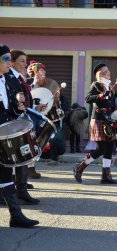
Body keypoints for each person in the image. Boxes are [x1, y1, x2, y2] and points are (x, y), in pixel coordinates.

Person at [0, 44, 39, 228]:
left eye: (9, 59)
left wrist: (17, 108)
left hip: (3, 133)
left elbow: (8, 110)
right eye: (5, 59)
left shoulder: (6, 81)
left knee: (6, 172)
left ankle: (15, 216)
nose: (9, 63)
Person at [73, 63, 117, 184]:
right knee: (101, 149)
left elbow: (111, 103)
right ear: (101, 73)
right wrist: (100, 95)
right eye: (107, 71)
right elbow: (88, 98)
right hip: (98, 119)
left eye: (108, 70)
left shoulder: (109, 86)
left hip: (108, 120)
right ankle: (79, 168)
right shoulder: (96, 85)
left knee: (109, 148)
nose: (109, 72)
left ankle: (105, 176)